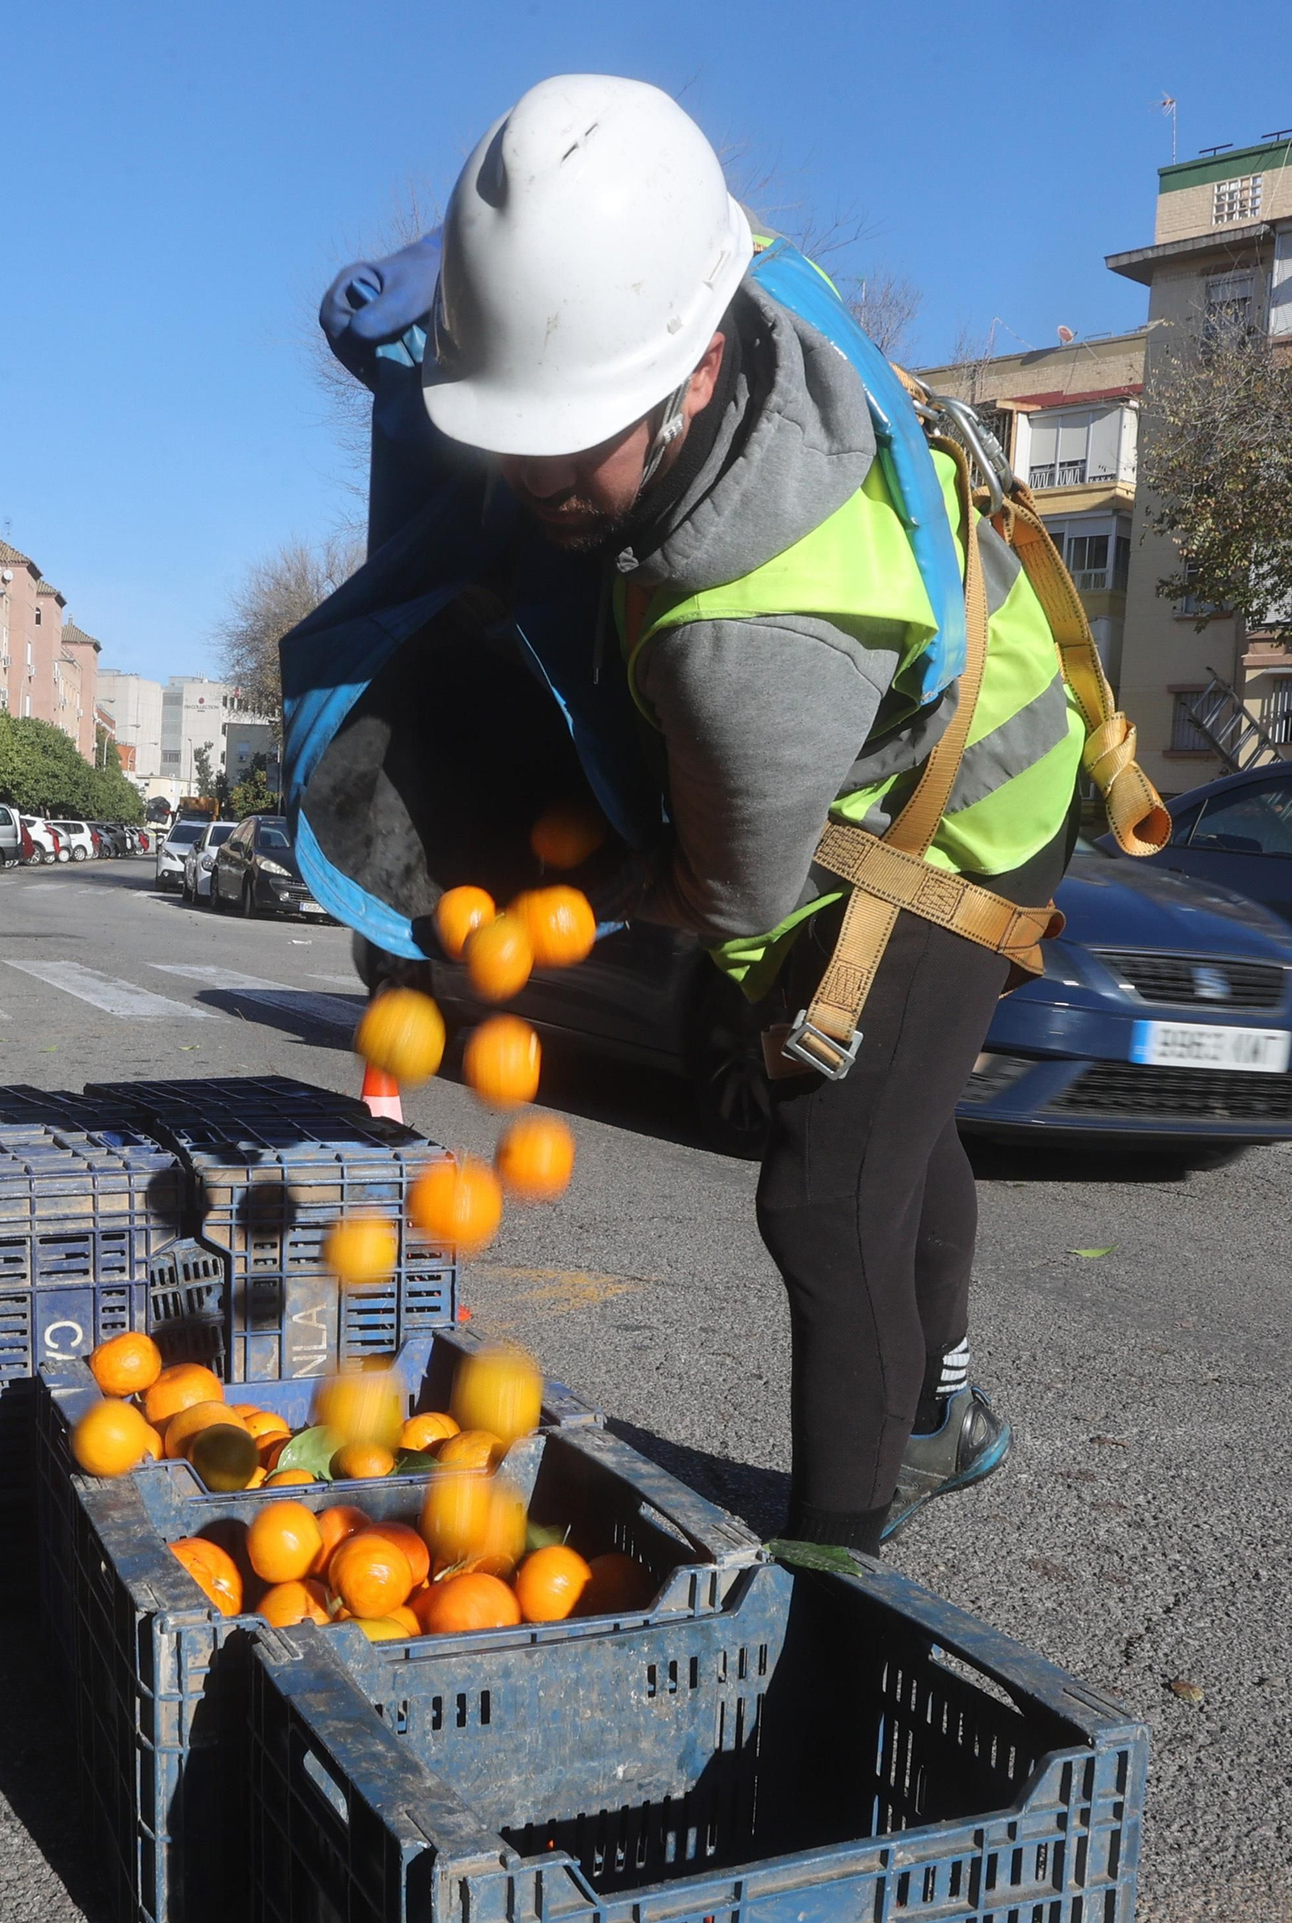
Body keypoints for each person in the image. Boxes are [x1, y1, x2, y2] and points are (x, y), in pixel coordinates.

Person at [306, 75, 1156, 1552]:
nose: (532, 475)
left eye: (573, 443)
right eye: (514, 421)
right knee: (897, 1124)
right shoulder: (689, 261)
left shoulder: (743, 635)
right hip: (902, 697)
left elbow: (737, 895)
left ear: (694, 374)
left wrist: (560, 893)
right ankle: (942, 1408)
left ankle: (842, 1571)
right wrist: (417, 302)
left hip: (961, 813)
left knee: (826, 1192)